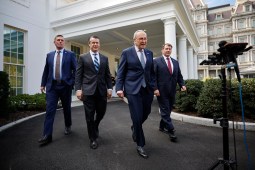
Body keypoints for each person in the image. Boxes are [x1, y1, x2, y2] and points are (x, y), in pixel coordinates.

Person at [115, 30, 155, 158]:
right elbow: (121, 72)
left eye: (145, 38)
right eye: (141, 39)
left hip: (147, 89)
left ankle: (135, 128)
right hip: (132, 89)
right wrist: (119, 88)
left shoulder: (149, 53)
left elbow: (151, 72)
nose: (143, 41)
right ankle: (140, 144)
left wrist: (154, 87)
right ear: (134, 40)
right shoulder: (127, 52)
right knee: (137, 117)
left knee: (146, 112)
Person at [38, 35, 77, 146]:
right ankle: (47, 135)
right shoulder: (49, 55)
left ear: (63, 42)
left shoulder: (70, 55)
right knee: (50, 110)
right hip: (52, 87)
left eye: (62, 40)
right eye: (58, 40)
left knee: (66, 108)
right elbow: (46, 70)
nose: (60, 42)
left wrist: (71, 82)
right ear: (54, 42)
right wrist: (43, 84)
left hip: (65, 86)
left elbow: (76, 70)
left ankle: (68, 125)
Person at [75, 35, 112, 149]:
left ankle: (95, 126)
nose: (95, 44)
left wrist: (110, 88)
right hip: (88, 91)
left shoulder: (104, 58)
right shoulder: (83, 57)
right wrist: (78, 89)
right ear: (89, 44)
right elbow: (78, 74)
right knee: (89, 116)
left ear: (99, 44)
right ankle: (93, 138)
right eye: (93, 42)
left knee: (101, 112)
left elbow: (107, 75)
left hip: (101, 91)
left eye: (97, 42)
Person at [154, 43, 186, 142]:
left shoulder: (175, 62)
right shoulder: (156, 61)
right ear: (162, 50)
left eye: (169, 49)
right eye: (166, 49)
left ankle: (161, 126)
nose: (168, 50)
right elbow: (153, 76)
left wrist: (182, 84)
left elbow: (179, 75)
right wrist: (155, 89)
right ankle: (171, 130)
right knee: (164, 109)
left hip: (172, 90)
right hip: (161, 91)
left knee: (168, 109)